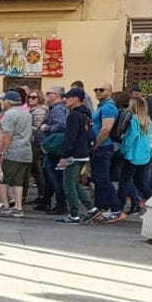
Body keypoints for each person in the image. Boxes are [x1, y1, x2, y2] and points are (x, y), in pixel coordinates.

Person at [56, 88, 99, 223]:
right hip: (83, 153)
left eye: (68, 97)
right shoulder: (86, 114)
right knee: (74, 183)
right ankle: (91, 209)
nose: (65, 100)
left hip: (73, 155)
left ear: (76, 99)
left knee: (68, 185)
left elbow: (70, 137)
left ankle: (74, 215)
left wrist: (64, 155)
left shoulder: (74, 115)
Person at [115, 95, 152, 217]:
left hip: (133, 155)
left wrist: (122, 150)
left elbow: (130, 139)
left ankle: (119, 208)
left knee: (124, 182)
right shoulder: (147, 120)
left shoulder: (134, 120)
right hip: (145, 155)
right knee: (141, 182)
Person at [0, 91, 34, 218]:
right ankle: (18, 207)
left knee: (1, 179)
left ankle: (4, 205)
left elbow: (7, 135)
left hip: (12, 151)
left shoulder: (9, 115)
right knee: (17, 181)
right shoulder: (27, 113)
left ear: (7, 102)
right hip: (26, 151)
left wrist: (2, 152)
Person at [90, 83, 122, 220]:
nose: (97, 92)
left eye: (101, 90)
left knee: (103, 179)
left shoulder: (108, 107)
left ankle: (116, 209)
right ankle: (100, 207)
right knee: (98, 179)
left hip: (103, 147)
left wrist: (96, 144)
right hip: (102, 147)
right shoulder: (102, 106)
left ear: (110, 92)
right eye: (96, 89)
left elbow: (106, 129)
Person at [36, 85, 68, 214]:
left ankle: (60, 204)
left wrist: (46, 128)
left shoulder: (57, 109)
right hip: (53, 147)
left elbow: (62, 125)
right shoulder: (55, 108)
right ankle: (46, 201)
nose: (46, 95)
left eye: (48, 93)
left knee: (55, 177)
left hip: (54, 147)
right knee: (49, 176)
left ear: (56, 95)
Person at [27, 89, 49, 209]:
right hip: (34, 141)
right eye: (29, 97)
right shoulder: (34, 110)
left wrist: (25, 125)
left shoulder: (40, 111)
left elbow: (38, 128)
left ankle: (43, 195)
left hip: (37, 142)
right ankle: (41, 195)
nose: (30, 99)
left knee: (38, 169)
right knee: (36, 170)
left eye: (34, 97)